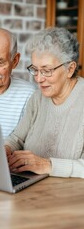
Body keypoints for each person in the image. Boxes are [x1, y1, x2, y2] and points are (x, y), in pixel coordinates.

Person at [5, 27, 84, 178]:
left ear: (70, 69)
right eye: (35, 69)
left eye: (47, 70)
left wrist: (48, 165)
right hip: (31, 190)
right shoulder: (37, 99)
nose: (38, 79)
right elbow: (17, 138)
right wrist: (5, 148)